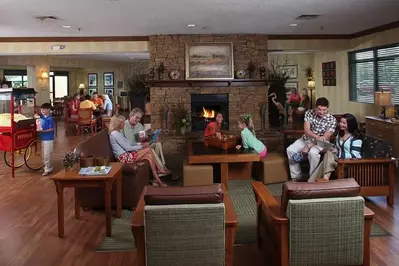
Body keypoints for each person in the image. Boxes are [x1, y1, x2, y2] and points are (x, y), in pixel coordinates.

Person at [109, 114, 170, 187]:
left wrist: (140, 144)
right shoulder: (114, 133)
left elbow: (130, 143)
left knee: (149, 155)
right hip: (123, 158)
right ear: (118, 123)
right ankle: (161, 170)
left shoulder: (118, 132)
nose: (124, 124)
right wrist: (141, 146)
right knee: (148, 150)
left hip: (126, 155)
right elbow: (127, 148)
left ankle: (156, 179)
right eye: (122, 123)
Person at [286, 97, 337, 181]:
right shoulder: (309, 113)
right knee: (290, 150)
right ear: (315, 108)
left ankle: (312, 179)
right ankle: (297, 176)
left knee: (313, 153)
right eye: (319, 109)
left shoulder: (332, 120)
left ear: (327, 108)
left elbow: (324, 137)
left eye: (324, 110)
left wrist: (309, 146)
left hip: (321, 143)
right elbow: (307, 130)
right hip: (306, 139)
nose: (321, 112)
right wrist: (316, 137)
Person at [309, 113, 362, 182]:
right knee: (328, 153)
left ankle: (312, 182)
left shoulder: (356, 138)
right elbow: (336, 148)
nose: (341, 124)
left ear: (350, 124)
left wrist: (338, 153)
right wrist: (330, 148)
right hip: (338, 161)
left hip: (349, 164)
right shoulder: (340, 134)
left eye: (344, 123)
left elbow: (355, 155)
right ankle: (323, 179)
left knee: (326, 159)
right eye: (340, 122)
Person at [35, 103, 55, 176]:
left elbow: (52, 129)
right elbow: (37, 115)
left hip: (48, 138)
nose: (42, 110)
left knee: (47, 154)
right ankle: (46, 167)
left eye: (45, 109)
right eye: (42, 109)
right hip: (43, 138)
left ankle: (48, 169)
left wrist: (43, 131)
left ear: (49, 110)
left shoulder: (50, 118)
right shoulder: (42, 117)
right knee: (43, 154)